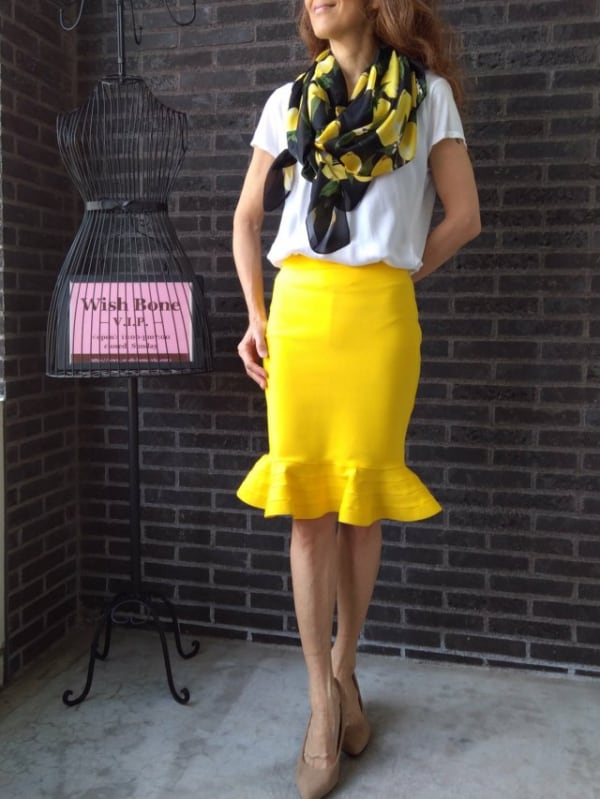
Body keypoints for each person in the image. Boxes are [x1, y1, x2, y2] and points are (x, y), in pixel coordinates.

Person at [232, 1, 480, 796]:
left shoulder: (427, 95)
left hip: (379, 319)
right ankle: (318, 702)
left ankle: (345, 671)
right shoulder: (287, 100)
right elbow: (247, 214)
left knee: (362, 507)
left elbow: (465, 217)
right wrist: (256, 314)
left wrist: (395, 272)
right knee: (308, 507)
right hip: (300, 314)